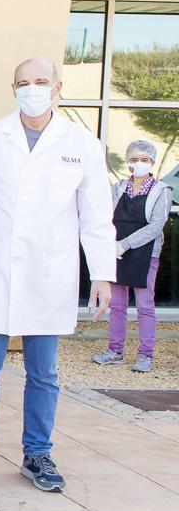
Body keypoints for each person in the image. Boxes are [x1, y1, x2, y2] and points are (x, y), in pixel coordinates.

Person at [0, 57, 115, 493]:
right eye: (22, 82)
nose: (31, 88)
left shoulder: (82, 144)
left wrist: (102, 274)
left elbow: (95, 214)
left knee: (44, 374)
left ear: (57, 87)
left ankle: (38, 453)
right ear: (11, 88)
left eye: (40, 81)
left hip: (48, 275)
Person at [93, 140, 172, 373]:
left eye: (145, 160)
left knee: (145, 305)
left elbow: (157, 225)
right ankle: (114, 350)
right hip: (116, 251)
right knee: (117, 305)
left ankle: (145, 355)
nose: (140, 163)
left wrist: (125, 244)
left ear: (152, 162)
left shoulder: (162, 190)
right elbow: (104, 217)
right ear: (128, 162)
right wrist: (111, 246)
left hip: (145, 253)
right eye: (135, 159)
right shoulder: (117, 188)